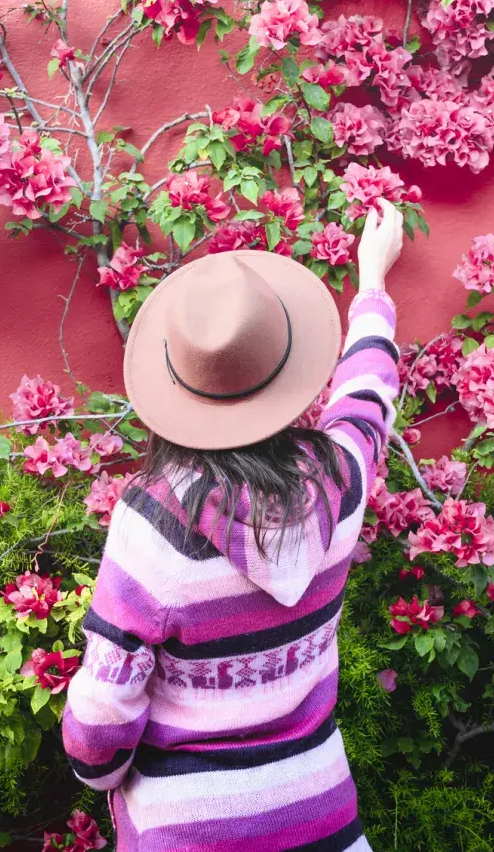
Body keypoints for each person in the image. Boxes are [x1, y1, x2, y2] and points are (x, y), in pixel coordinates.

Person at [61, 201, 406, 851]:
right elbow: (366, 399)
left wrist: (99, 770)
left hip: (187, 829)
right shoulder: (338, 477)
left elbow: (102, 714)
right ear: (284, 373)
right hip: (318, 816)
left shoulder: (152, 523)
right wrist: (371, 286)